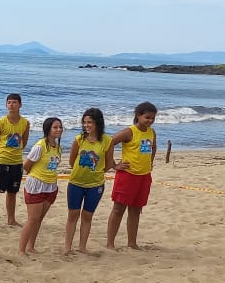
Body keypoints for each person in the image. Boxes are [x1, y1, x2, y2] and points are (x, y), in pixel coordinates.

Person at [106, 102, 158, 250]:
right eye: (147, 117)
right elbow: (108, 143)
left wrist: (150, 162)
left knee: (136, 210)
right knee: (118, 209)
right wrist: (113, 164)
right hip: (128, 175)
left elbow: (153, 147)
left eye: (153, 118)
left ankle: (132, 243)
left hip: (144, 176)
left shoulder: (151, 132)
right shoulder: (129, 132)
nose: (150, 121)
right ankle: (110, 243)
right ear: (138, 115)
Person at [64, 108, 114, 254]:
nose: (86, 125)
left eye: (90, 122)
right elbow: (72, 161)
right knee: (73, 214)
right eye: (85, 122)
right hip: (76, 183)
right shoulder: (79, 139)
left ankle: (82, 247)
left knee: (87, 216)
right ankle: (67, 247)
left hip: (95, 184)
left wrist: (96, 172)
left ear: (98, 123)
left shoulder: (107, 140)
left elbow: (109, 163)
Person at [19, 117, 63, 255]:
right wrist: (37, 177)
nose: (58, 130)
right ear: (48, 129)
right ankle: (21, 249)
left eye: (60, 127)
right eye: (55, 127)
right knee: (32, 219)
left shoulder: (57, 147)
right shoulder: (40, 146)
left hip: (50, 186)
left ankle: (31, 247)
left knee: (39, 219)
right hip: (36, 185)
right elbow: (26, 165)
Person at [0, 93, 29, 227]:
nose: (11, 105)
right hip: (2, 161)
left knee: (12, 193)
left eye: (14, 102)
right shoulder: (1, 122)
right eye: (9, 102)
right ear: (6, 105)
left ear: (20, 105)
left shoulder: (25, 123)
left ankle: (11, 219)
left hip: (17, 162)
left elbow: (24, 142)